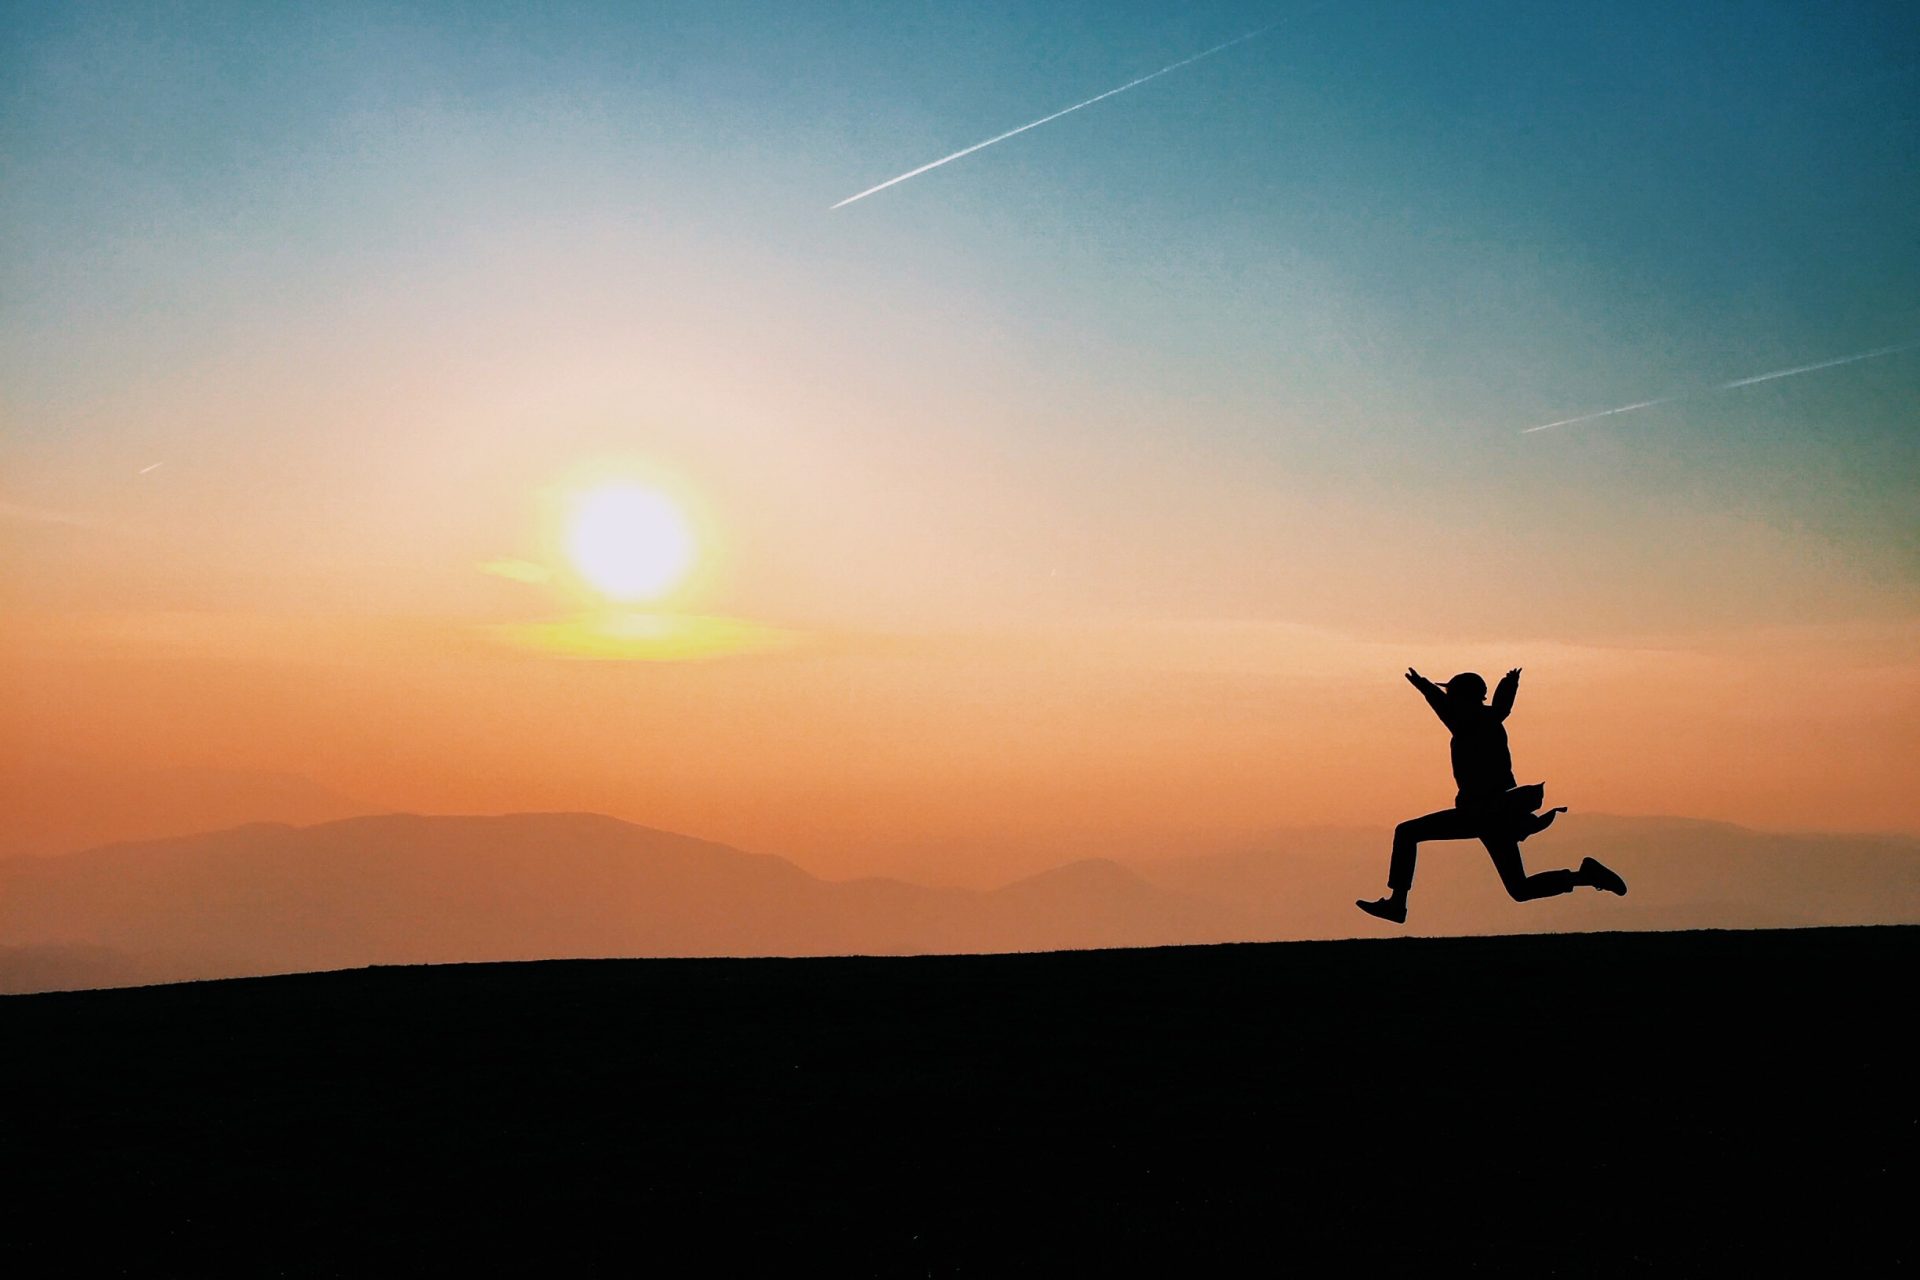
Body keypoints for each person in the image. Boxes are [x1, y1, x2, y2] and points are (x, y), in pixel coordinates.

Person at [1356, 667, 1626, 924]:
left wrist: (1423, 685)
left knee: (1407, 832)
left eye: (1453, 694)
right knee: (1519, 889)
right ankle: (1585, 877)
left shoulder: (1467, 722)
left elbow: (1442, 704)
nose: (1449, 699)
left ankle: (1397, 903)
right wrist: (1510, 683)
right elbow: (1500, 706)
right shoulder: (1491, 719)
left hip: (1479, 813)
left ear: (1462, 698)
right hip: (1499, 814)